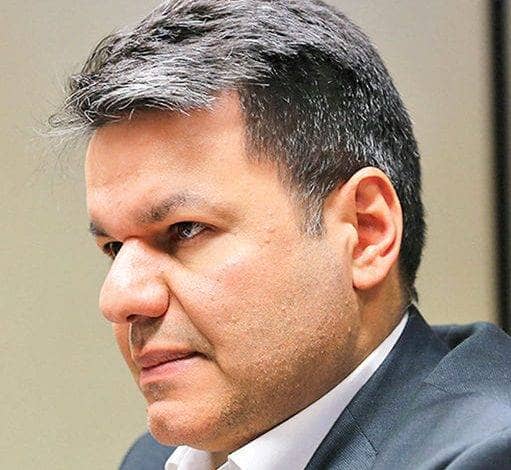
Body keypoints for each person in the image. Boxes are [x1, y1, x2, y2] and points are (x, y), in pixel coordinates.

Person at [50, 0, 511, 468]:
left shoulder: (487, 453)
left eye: (184, 230)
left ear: (365, 232)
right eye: (113, 248)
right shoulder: (153, 459)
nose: (118, 299)